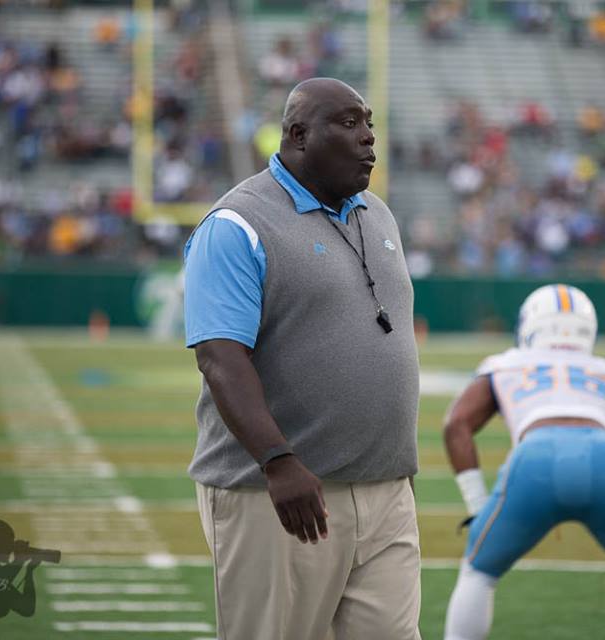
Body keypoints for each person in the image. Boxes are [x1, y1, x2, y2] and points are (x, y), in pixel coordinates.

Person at [183, 78, 421, 640]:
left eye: (368, 122)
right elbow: (220, 357)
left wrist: (397, 466)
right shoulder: (237, 224)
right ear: (297, 135)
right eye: (348, 123)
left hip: (384, 490)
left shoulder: (377, 214)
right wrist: (277, 460)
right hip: (281, 493)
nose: (367, 138)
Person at [443, 284, 605, 640]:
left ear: (530, 324)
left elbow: (456, 424)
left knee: (479, 574)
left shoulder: (506, 364)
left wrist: (477, 503)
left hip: (535, 460)